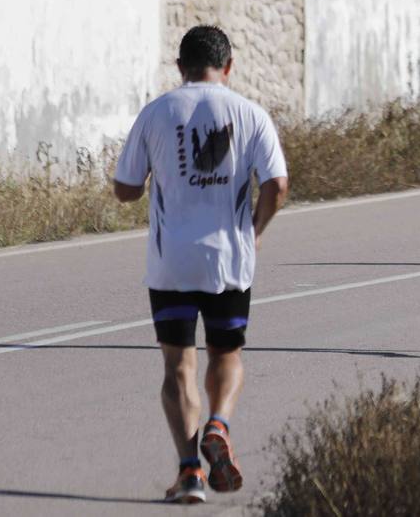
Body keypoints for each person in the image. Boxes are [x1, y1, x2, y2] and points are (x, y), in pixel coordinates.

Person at [113, 25, 289, 504]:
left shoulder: (157, 112)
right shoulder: (250, 114)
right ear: (228, 67)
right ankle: (219, 422)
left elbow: (125, 188)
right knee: (226, 355)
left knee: (177, 368)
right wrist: (253, 230)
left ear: (179, 67)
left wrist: (154, 177)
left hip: (171, 262)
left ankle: (190, 472)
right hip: (229, 259)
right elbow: (278, 185)